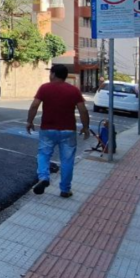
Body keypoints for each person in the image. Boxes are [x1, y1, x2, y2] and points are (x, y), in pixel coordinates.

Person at [26, 64, 91, 198]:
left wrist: (30, 121)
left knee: (44, 155)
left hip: (48, 130)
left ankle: (44, 177)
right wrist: (85, 127)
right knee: (67, 161)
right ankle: (65, 190)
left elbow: (34, 106)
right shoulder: (74, 90)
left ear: (54, 74)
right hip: (68, 131)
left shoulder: (44, 88)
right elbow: (83, 110)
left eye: (50, 73)